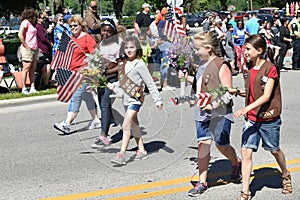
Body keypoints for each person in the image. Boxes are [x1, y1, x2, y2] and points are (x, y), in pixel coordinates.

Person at [180, 31, 241, 197]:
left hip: (219, 112)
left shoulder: (222, 65)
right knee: (203, 144)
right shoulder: (201, 64)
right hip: (202, 111)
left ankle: (236, 162)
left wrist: (214, 104)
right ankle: (202, 182)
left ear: (209, 48)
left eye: (197, 49)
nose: (195, 52)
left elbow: (228, 92)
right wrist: (187, 78)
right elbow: (202, 84)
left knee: (221, 144)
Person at [233, 34, 292, 200]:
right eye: (245, 49)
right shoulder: (249, 68)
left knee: (274, 150)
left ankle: (285, 174)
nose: (245, 52)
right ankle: (245, 192)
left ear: (259, 50)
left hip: (268, 118)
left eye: (248, 49)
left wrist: (245, 108)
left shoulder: (270, 68)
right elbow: (253, 92)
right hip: (252, 119)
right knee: (246, 152)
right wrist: (236, 92)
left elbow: (266, 96)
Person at [110, 36, 163, 165]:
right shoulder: (123, 64)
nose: (129, 50)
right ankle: (142, 150)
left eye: (132, 47)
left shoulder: (140, 64)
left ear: (137, 49)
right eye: (127, 47)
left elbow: (149, 83)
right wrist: (114, 85)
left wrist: (158, 100)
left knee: (126, 125)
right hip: (125, 99)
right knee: (134, 125)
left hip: (136, 99)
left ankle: (121, 154)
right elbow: (122, 81)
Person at [54, 15, 100, 134]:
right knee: (87, 97)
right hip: (71, 73)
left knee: (76, 97)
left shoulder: (87, 38)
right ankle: (96, 120)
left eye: (75, 25)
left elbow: (95, 55)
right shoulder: (70, 38)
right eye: (71, 26)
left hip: (83, 73)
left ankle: (67, 124)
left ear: (81, 25)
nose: (73, 28)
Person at [91, 19, 120, 148]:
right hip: (100, 80)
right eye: (104, 30)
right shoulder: (99, 45)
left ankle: (103, 136)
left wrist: (107, 71)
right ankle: (127, 125)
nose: (106, 33)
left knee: (104, 104)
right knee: (104, 106)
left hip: (112, 79)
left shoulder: (117, 45)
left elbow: (122, 65)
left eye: (109, 31)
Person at [18, 7, 39, 94]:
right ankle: (24, 87)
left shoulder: (31, 24)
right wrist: (26, 45)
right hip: (27, 49)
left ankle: (32, 87)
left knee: (32, 69)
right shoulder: (25, 22)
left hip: (34, 48)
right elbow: (20, 34)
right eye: (34, 16)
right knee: (26, 68)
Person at [35, 12, 53, 90]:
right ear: (38, 19)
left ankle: (45, 84)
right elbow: (42, 38)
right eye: (42, 18)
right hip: (41, 49)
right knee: (42, 67)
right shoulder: (38, 27)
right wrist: (49, 43)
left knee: (47, 67)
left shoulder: (42, 26)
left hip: (46, 49)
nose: (43, 19)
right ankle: (40, 84)